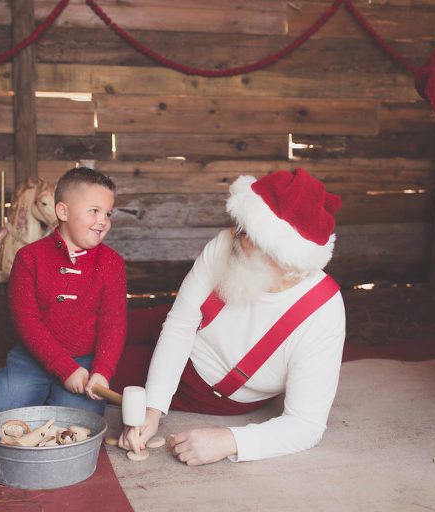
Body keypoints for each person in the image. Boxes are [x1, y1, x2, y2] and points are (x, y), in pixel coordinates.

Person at [115, 169, 346, 465]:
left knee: (90, 369)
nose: (234, 234)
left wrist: (230, 440)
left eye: (247, 232)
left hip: (204, 384)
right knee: (100, 330)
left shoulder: (323, 311)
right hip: (181, 324)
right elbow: (180, 323)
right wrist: (152, 407)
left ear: (276, 253)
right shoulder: (226, 243)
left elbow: (306, 425)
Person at [0, 167, 127, 418]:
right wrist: (62, 368)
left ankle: (55, 400)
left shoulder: (112, 263)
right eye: (94, 210)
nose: (103, 220)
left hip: (85, 362)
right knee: (0, 408)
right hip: (33, 357)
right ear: (63, 211)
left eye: (108, 213)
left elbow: (113, 322)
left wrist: (102, 370)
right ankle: (39, 393)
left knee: (81, 420)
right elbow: (26, 320)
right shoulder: (29, 258)